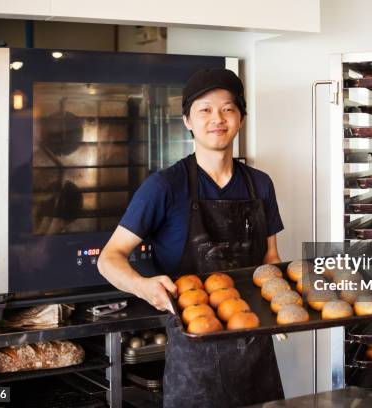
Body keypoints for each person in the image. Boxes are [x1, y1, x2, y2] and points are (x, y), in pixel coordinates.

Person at [98, 68, 285, 407]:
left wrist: (282, 303)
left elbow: (271, 258)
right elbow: (108, 258)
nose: (218, 118)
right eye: (205, 109)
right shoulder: (165, 186)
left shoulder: (261, 184)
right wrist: (143, 287)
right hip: (194, 348)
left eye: (228, 108)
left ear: (241, 118)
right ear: (187, 120)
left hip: (255, 340)